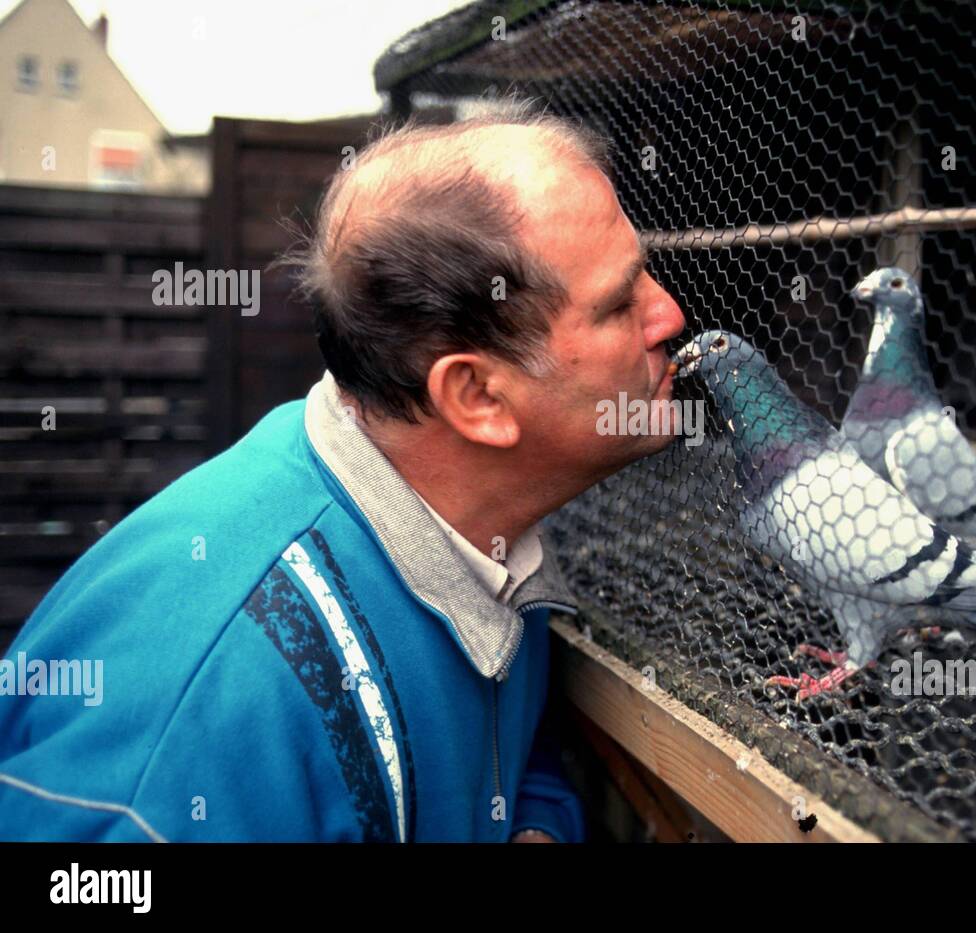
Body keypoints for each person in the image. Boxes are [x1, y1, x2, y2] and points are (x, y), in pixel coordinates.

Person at [0, 97, 686, 842]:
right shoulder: (205, 727)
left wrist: (538, 825)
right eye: (620, 304)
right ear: (479, 396)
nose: (670, 314)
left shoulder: (472, 525)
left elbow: (499, 755)